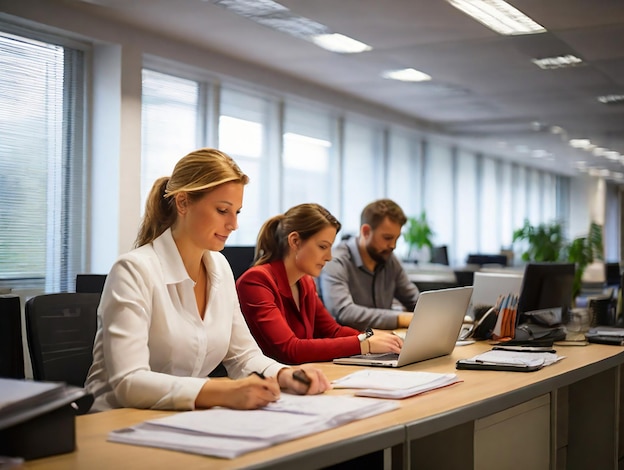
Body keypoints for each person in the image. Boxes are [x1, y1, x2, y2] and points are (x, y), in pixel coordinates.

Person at [85, 148, 330, 412]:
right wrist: (221, 390)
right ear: (183, 203)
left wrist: (283, 375)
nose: (233, 224)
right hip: (115, 422)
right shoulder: (133, 270)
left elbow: (242, 355)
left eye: (237, 212)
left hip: (184, 420)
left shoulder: (219, 268)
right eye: (223, 210)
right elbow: (129, 382)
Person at [235, 203, 403, 365]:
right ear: (295, 241)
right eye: (323, 246)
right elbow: (290, 349)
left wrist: (370, 336)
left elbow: (332, 331)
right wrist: (364, 344)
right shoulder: (256, 281)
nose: (329, 257)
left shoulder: (305, 283)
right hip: (265, 385)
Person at [318, 199, 419, 331]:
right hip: (352, 345)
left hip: (385, 342)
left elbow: (415, 300)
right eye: (387, 238)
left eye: (396, 238)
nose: (393, 246)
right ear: (365, 232)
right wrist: (400, 318)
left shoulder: (389, 259)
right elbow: (344, 312)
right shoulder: (336, 261)